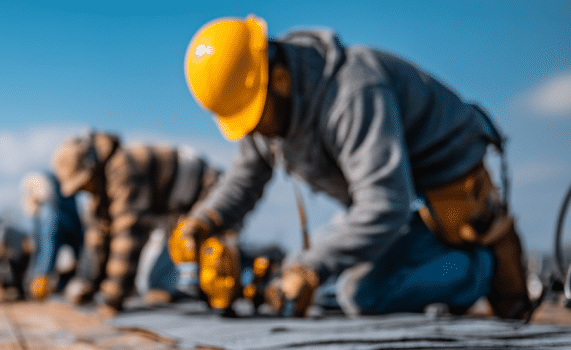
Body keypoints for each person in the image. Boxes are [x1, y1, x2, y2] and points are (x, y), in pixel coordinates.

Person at [172, 16, 530, 318]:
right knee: (300, 268)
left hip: (442, 184)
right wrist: (203, 221)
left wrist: (310, 270)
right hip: (391, 198)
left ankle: (479, 268)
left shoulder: (353, 93)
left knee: (362, 293)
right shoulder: (265, 103)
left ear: (278, 79)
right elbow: (246, 176)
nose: (254, 132)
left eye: (253, 119)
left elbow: (386, 205)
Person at [51, 131, 222, 313]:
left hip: (207, 195)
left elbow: (129, 233)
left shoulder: (125, 167)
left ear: (92, 167)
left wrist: (113, 294)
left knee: (201, 272)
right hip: (171, 209)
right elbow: (97, 237)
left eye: (83, 183)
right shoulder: (100, 185)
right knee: (152, 283)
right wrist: (87, 284)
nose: (84, 191)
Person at [20, 171, 84, 301]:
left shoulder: (48, 213)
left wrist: (41, 274)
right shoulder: (56, 206)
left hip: (69, 260)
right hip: (74, 249)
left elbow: (47, 245)